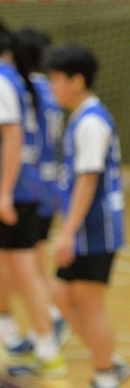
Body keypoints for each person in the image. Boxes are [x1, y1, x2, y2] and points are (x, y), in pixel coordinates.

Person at [43, 44, 130, 388]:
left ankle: (106, 381)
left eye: (56, 81)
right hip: (85, 231)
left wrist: (67, 231)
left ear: (76, 81)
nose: (52, 89)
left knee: (89, 305)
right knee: (61, 296)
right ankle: (107, 358)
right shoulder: (80, 117)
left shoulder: (91, 121)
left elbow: (88, 179)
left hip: (96, 231)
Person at [0, 20, 66, 378]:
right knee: (26, 267)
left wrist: (5, 192)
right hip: (39, 183)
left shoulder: (9, 82)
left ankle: (46, 336)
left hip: (24, 186)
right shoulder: (33, 86)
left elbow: (14, 139)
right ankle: (40, 333)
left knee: (27, 269)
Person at [13, 27, 71, 349]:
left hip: (31, 183)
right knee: (33, 261)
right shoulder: (50, 90)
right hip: (50, 183)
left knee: (27, 264)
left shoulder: (25, 87)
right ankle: (47, 322)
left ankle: (50, 321)